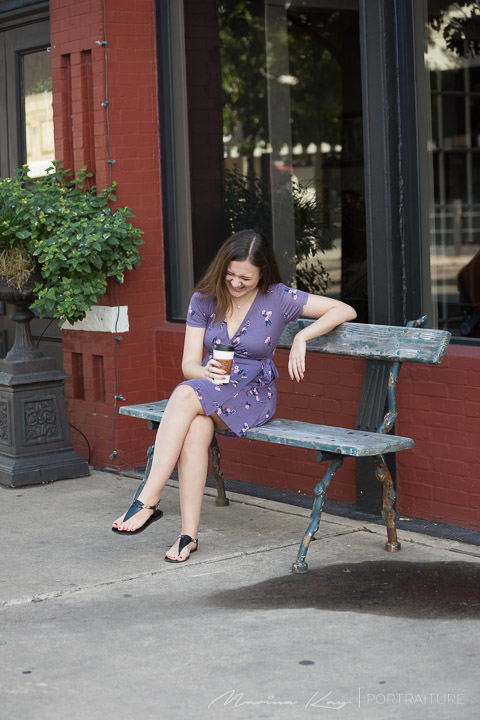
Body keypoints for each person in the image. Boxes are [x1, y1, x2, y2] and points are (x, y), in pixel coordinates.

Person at [112, 229, 357, 562]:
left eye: (247, 278)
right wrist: (206, 372)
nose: (237, 283)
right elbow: (188, 365)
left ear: (263, 275)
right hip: (211, 384)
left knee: (184, 398)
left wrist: (303, 337)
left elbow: (344, 309)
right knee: (196, 428)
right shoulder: (204, 299)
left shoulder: (279, 297)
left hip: (254, 392)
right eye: (231, 275)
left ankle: (148, 499)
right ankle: (188, 535)